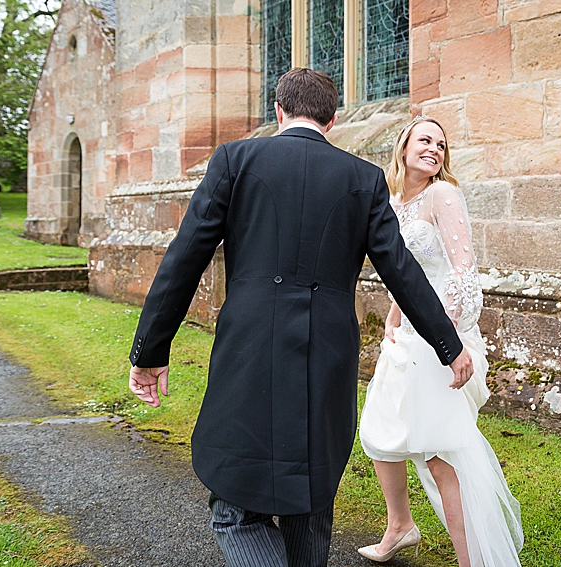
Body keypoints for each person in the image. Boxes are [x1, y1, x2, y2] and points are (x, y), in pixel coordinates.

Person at [126, 69, 474, 567]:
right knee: (311, 503)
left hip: (249, 350)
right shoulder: (364, 178)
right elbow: (401, 270)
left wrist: (151, 352)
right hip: (326, 357)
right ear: (333, 119)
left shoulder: (235, 159)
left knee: (236, 514)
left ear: (279, 110)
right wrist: (449, 343)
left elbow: (184, 259)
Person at [357, 117, 524, 567]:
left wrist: (443, 341)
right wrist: (394, 317)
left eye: (442, 144)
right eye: (425, 140)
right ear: (404, 147)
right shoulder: (392, 202)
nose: (434, 149)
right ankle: (400, 526)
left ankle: (472, 560)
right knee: (379, 433)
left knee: (439, 455)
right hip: (407, 336)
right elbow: (404, 273)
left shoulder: (442, 195)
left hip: (441, 337)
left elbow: (463, 273)